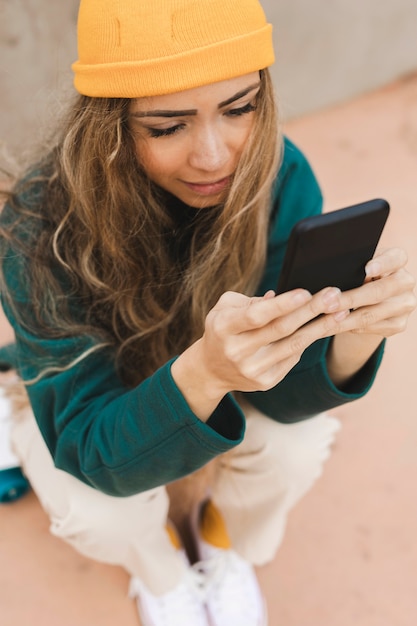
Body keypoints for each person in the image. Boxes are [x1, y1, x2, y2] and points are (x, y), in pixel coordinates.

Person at [0, 0, 415, 624]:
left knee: (296, 448)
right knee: (99, 512)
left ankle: (221, 547)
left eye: (239, 108)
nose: (216, 157)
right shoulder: (37, 227)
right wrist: (207, 373)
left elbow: (282, 399)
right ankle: (162, 577)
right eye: (168, 127)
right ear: (107, 125)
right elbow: (93, 452)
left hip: (204, 382)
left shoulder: (276, 171)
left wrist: (354, 335)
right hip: (100, 408)